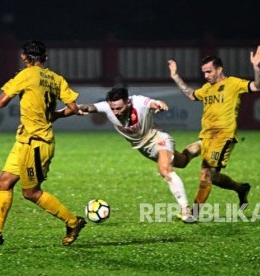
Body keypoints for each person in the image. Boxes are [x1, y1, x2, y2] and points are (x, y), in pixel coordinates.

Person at [0, 40, 86, 248]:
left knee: (31, 192)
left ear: (24, 57)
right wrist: (54, 116)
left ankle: (73, 222)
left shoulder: (25, 75)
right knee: (3, 181)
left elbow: (2, 101)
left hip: (37, 143)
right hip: (24, 140)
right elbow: (73, 107)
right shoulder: (55, 78)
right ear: (45, 58)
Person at [168, 45, 260, 214]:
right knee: (188, 161)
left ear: (219, 69)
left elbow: (258, 86)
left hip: (224, 137)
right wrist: (176, 76)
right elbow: (191, 95)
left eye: (209, 72)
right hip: (206, 137)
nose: (206, 76)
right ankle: (241, 188)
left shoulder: (233, 83)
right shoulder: (206, 88)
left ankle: (192, 213)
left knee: (206, 175)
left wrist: (256, 67)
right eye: (204, 72)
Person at [79, 87, 196, 223]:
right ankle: (201, 146)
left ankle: (186, 211)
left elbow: (152, 103)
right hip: (145, 149)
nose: (115, 112)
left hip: (158, 139)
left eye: (119, 108)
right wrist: (76, 108)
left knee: (165, 171)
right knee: (182, 161)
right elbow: (88, 107)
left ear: (128, 102)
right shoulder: (107, 107)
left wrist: (159, 104)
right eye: (113, 109)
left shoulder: (138, 102)